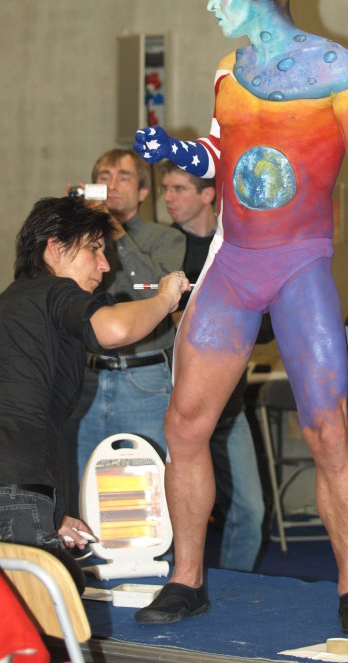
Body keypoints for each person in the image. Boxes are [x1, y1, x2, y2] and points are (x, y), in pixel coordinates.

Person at [133, 0, 348, 632]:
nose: (210, 2)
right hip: (234, 264)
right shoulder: (228, 69)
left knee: (328, 431)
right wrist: (176, 150)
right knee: (184, 425)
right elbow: (221, 151)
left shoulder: (334, 67)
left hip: (299, 266)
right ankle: (186, 578)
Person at [0, 196, 189, 593]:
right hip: (16, 482)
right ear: (55, 248)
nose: (105, 266)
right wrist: (164, 299)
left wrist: (52, 517)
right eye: (94, 249)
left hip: (19, 485)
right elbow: (114, 330)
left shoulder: (18, 302)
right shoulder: (53, 291)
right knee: (48, 602)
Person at [160, 160, 264, 571]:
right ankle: (178, 583)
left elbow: (264, 325)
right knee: (174, 513)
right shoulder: (160, 246)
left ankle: (235, 590)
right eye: (165, 188)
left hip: (229, 406)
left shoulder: (237, 247)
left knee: (251, 512)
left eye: (179, 189)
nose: (168, 197)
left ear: (208, 195)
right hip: (176, 403)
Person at [66, 149, 186, 501]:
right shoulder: (79, 240)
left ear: (143, 191)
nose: (112, 185)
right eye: (104, 178)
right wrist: (69, 222)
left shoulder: (167, 238)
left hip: (144, 379)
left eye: (123, 177)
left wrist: (111, 229)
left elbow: (154, 291)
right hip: (87, 378)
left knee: (146, 494)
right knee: (84, 490)